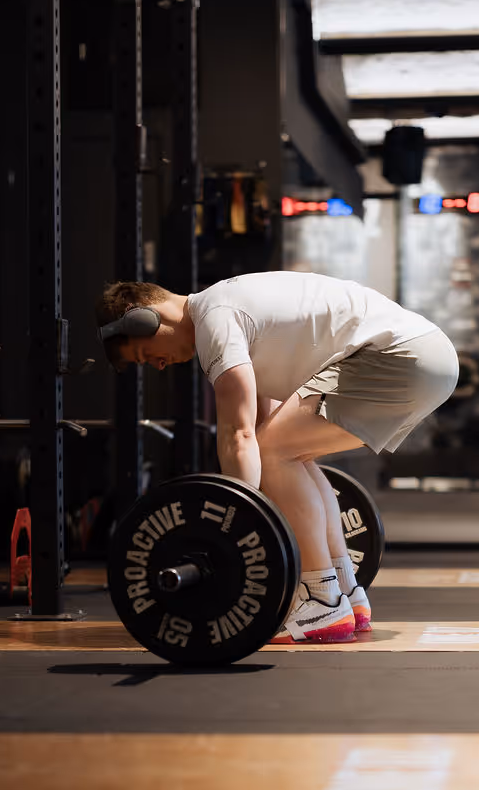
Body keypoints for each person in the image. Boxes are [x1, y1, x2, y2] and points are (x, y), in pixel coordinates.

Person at [95, 270, 459, 644]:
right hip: (425, 355)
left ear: (147, 319)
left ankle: (320, 599)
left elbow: (239, 436)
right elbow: (261, 426)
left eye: (144, 354)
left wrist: (233, 528)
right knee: (289, 453)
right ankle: (345, 591)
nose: (156, 364)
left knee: (272, 452)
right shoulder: (226, 311)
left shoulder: (215, 320)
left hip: (398, 355)